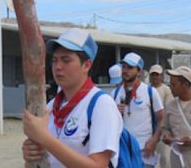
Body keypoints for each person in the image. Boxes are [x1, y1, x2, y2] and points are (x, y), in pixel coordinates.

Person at [21, 28, 122, 167]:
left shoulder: (102, 105)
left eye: (66, 60)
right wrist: (31, 156)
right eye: (54, 60)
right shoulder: (50, 107)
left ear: (86, 65)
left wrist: (45, 138)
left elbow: (98, 165)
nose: (57, 67)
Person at [113, 52, 165, 167]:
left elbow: (162, 118)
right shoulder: (115, 93)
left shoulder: (150, 92)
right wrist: (114, 112)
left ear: (139, 72)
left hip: (144, 150)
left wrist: (154, 140)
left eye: (130, 67)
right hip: (122, 150)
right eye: (124, 67)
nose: (125, 70)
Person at [150, 64, 173, 168]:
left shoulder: (166, 90)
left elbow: (168, 109)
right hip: (150, 127)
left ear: (161, 76)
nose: (155, 77)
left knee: (164, 157)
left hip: (163, 127)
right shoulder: (147, 89)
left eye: (157, 75)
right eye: (153, 75)